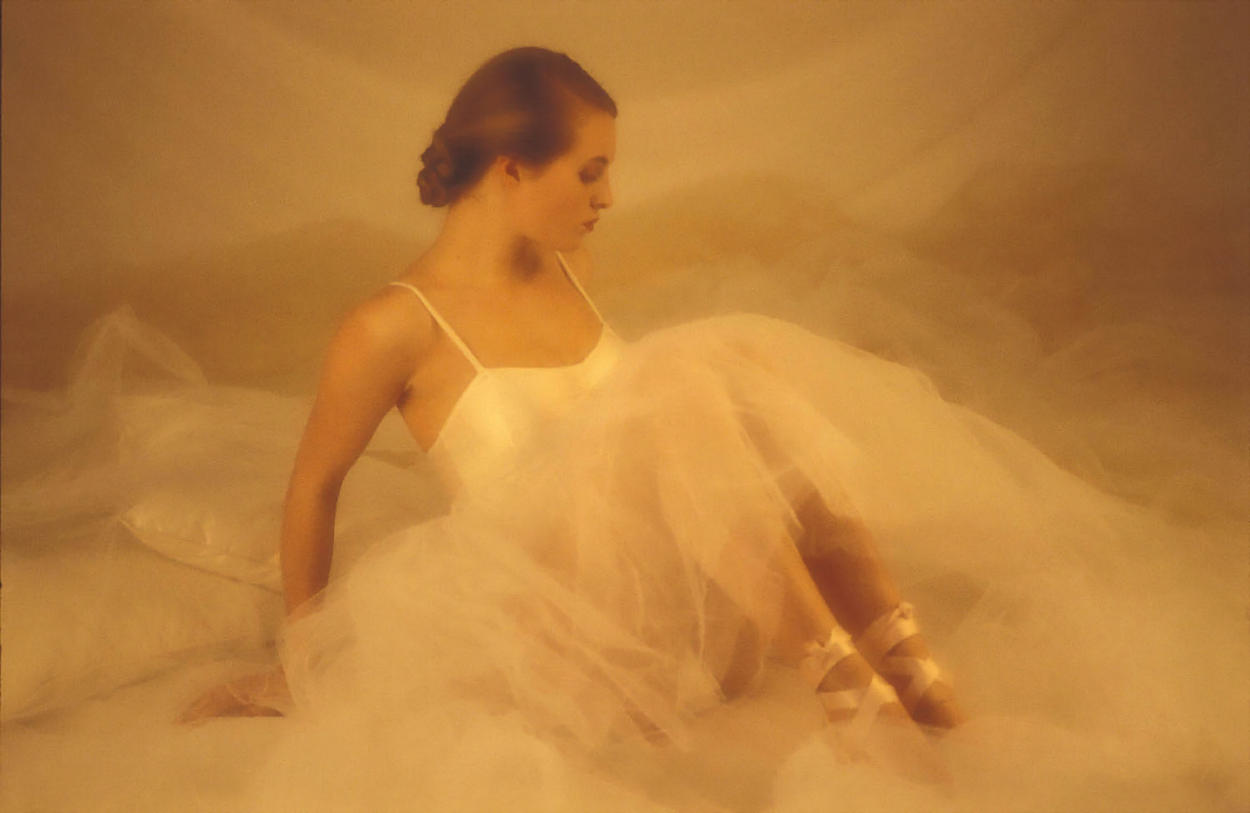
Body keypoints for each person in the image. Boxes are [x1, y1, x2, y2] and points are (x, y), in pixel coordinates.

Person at [181, 45, 962, 762]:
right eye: (590, 173)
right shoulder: (393, 327)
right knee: (680, 375)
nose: (608, 197)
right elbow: (313, 487)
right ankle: (843, 681)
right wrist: (306, 662)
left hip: (685, 629)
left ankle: (906, 661)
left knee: (734, 370)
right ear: (512, 170)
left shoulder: (570, 267)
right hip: (556, 647)